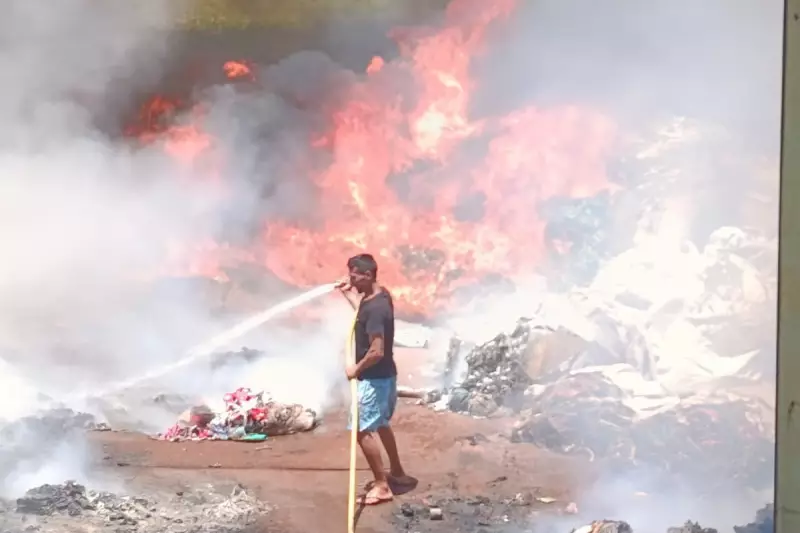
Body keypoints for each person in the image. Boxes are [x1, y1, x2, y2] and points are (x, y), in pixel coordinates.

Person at [336, 253, 414, 505]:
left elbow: (377, 350)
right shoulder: (379, 296)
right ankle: (398, 474)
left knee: (361, 430)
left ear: (367, 275)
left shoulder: (376, 308)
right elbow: (362, 313)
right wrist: (347, 293)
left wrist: (355, 369)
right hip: (385, 376)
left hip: (373, 378)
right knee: (380, 423)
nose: (351, 280)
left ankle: (382, 486)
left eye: (354, 276)